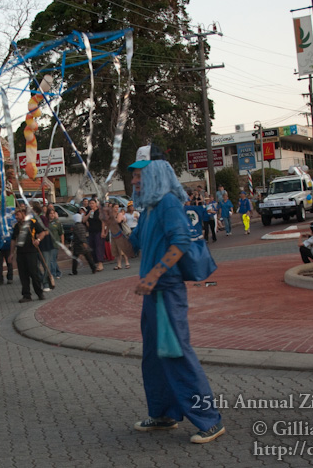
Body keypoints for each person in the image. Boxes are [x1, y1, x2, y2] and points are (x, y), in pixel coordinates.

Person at [103, 144, 224, 445]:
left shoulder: (169, 204)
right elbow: (132, 249)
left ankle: (209, 420)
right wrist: (112, 225)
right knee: (154, 358)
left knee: (177, 354)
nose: (133, 181)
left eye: (138, 175)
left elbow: (180, 243)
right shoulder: (149, 210)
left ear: (156, 172)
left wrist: (154, 275)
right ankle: (164, 414)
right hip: (153, 295)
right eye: (133, 176)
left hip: (166, 292)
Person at [9, 207, 47, 302]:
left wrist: (38, 240)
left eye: (17, 214)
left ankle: (39, 293)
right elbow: (13, 240)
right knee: (23, 275)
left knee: (34, 274)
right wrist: (11, 253)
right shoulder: (16, 226)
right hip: (21, 253)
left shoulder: (32, 222)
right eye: (15, 215)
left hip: (31, 252)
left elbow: (43, 232)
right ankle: (26, 295)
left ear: (23, 214)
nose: (16, 217)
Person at [83, 199, 105, 271]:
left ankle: (100, 264)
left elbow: (103, 222)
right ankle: (95, 263)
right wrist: (89, 214)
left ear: (96, 204)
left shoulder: (99, 212)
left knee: (99, 246)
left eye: (93, 203)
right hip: (91, 232)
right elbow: (84, 220)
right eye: (90, 203)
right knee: (92, 247)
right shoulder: (89, 211)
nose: (91, 205)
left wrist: (103, 231)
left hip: (98, 231)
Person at [111, 204, 131, 269]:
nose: (117, 208)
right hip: (113, 233)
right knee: (116, 249)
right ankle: (119, 264)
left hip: (120, 233)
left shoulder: (119, 214)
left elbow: (118, 221)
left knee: (122, 248)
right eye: (115, 207)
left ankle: (127, 262)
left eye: (117, 207)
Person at [47, 209, 64, 278]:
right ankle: (58, 272)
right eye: (50, 213)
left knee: (51, 260)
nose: (52, 215)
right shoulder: (46, 222)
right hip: (48, 243)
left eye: (53, 213)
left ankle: (52, 274)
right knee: (53, 260)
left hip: (55, 243)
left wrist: (62, 243)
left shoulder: (57, 222)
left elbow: (61, 233)